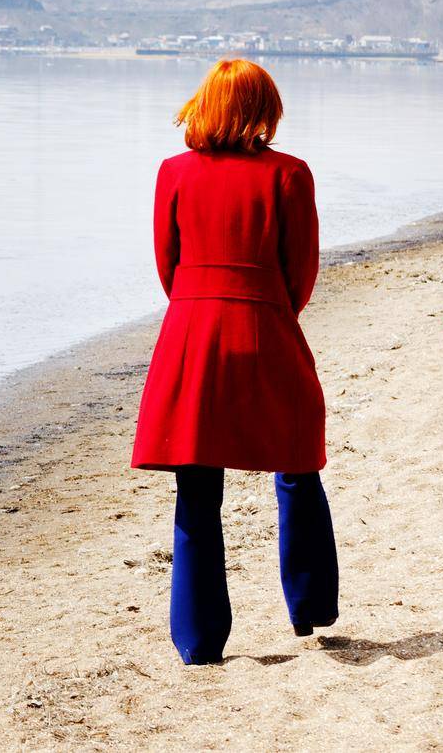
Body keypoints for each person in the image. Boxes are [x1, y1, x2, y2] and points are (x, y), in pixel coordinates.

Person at [132, 58, 338, 665]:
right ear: (263, 110)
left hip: (190, 332)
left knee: (196, 492)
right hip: (266, 325)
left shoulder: (173, 172)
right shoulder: (290, 174)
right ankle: (310, 609)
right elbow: (301, 274)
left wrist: (199, 308)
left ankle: (198, 643)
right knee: (298, 463)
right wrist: (269, 314)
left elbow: (167, 266)